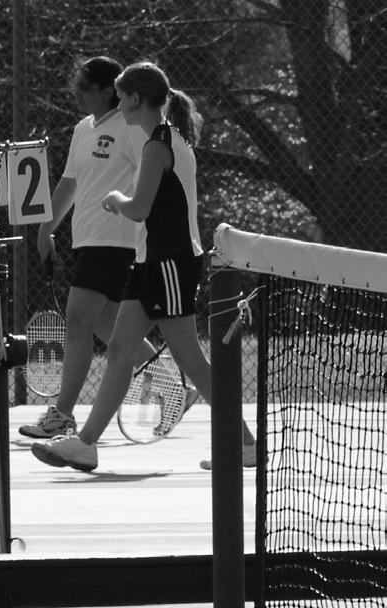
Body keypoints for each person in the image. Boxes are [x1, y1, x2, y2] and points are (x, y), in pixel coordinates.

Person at [30, 61, 256, 471]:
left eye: (122, 97)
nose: (119, 105)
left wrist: (115, 198)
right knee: (119, 350)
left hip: (170, 264)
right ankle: (85, 444)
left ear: (137, 99)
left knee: (190, 360)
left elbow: (138, 209)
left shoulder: (158, 145)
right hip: (150, 262)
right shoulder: (164, 139)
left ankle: (245, 443)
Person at [19, 57, 194, 438]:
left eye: (84, 87)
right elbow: (69, 183)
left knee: (78, 319)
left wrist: (127, 206)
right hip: (88, 241)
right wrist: (46, 228)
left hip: (117, 243)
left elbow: (154, 177)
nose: (77, 94)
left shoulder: (132, 129)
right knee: (108, 328)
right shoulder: (83, 129)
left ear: (107, 91)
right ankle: (174, 388)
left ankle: (63, 415)